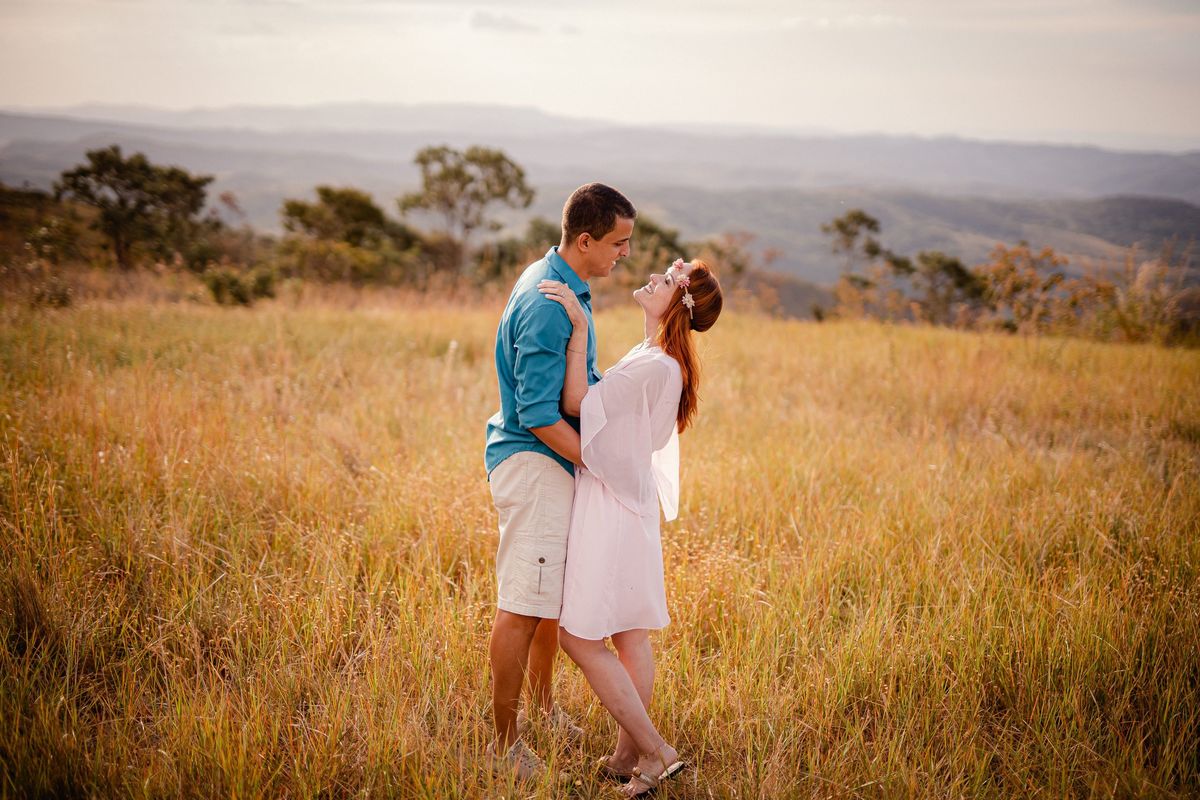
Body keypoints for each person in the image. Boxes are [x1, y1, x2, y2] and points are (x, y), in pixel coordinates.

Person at [538, 257, 723, 797]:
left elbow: (575, 403)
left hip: (613, 507)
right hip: (627, 504)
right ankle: (627, 758)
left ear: (678, 305)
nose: (653, 278)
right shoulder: (659, 356)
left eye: (666, 279)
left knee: (577, 634)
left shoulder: (654, 365)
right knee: (629, 633)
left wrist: (579, 327)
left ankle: (655, 750)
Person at [483, 183, 636, 780]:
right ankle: (504, 746)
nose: (624, 254)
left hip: (552, 460)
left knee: (549, 604)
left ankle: (544, 712)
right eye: (619, 244)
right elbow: (538, 414)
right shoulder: (549, 301)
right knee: (523, 605)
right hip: (535, 462)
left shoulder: (566, 281)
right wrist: (598, 463)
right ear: (586, 239)